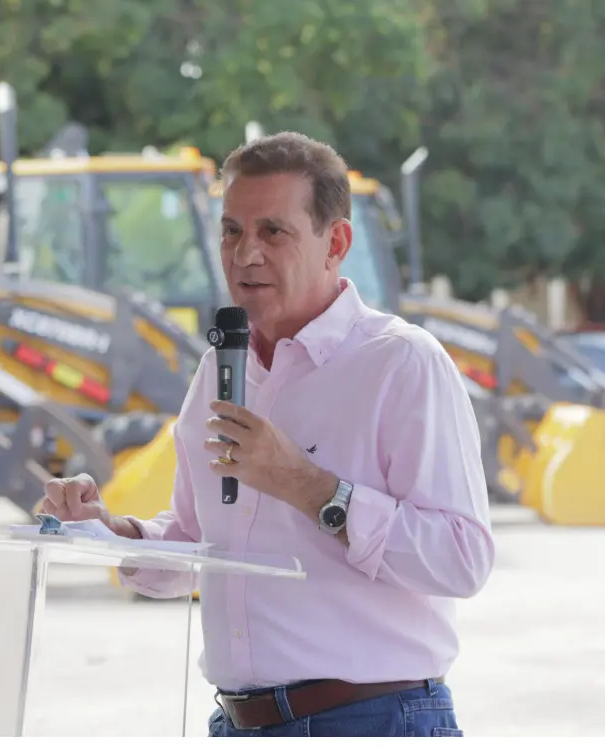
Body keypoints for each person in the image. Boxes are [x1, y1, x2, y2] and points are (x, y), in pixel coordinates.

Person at [37, 132, 495, 738]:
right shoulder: (220, 369)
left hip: (372, 721)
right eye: (231, 230)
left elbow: (463, 561)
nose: (244, 253)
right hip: (238, 724)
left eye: (272, 232)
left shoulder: (401, 364)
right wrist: (109, 530)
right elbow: (194, 542)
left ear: (335, 243)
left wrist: (304, 484)